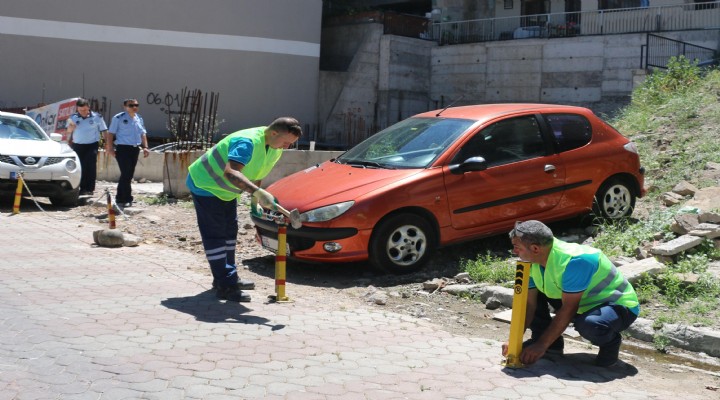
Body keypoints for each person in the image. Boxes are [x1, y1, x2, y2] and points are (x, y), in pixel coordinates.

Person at [186, 117, 302, 302]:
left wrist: (255, 197)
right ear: (273, 133)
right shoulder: (247, 142)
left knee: (230, 233)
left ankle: (227, 278)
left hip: (226, 192)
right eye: (286, 142)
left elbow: (256, 173)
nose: (287, 147)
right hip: (206, 185)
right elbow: (231, 172)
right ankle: (226, 285)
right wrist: (258, 192)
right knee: (215, 235)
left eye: (290, 144)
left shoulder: (274, 147)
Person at [502, 220, 639, 367]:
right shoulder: (530, 261)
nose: (514, 252)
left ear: (535, 248)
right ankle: (552, 345)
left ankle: (610, 344)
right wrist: (514, 340)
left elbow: (569, 309)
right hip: (579, 303)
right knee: (530, 296)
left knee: (590, 325)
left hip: (616, 306)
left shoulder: (576, 261)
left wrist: (541, 345)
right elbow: (528, 305)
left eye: (517, 248)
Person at [106, 99, 150, 207]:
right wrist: (110, 147)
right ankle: (122, 198)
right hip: (123, 149)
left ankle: (125, 197)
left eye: (136, 105)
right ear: (125, 106)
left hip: (134, 149)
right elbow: (111, 133)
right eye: (131, 105)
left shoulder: (139, 118)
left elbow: (143, 134)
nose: (134, 107)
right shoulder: (119, 118)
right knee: (126, 173)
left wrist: (145, 147)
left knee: (129, 174)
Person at [66, 98, 107, 195]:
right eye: (81, 110)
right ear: (77, 109)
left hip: (92, 144)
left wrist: (107, 143)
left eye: (85, 110)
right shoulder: (73, 117)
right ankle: (80, 187)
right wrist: (71, 127)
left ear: (89, 107)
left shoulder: (97, 117)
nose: (83, 112)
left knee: (90, 165)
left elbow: (104, 130)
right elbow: (68, 131)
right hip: (78, 145)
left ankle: (89, 188)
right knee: (80, 166)